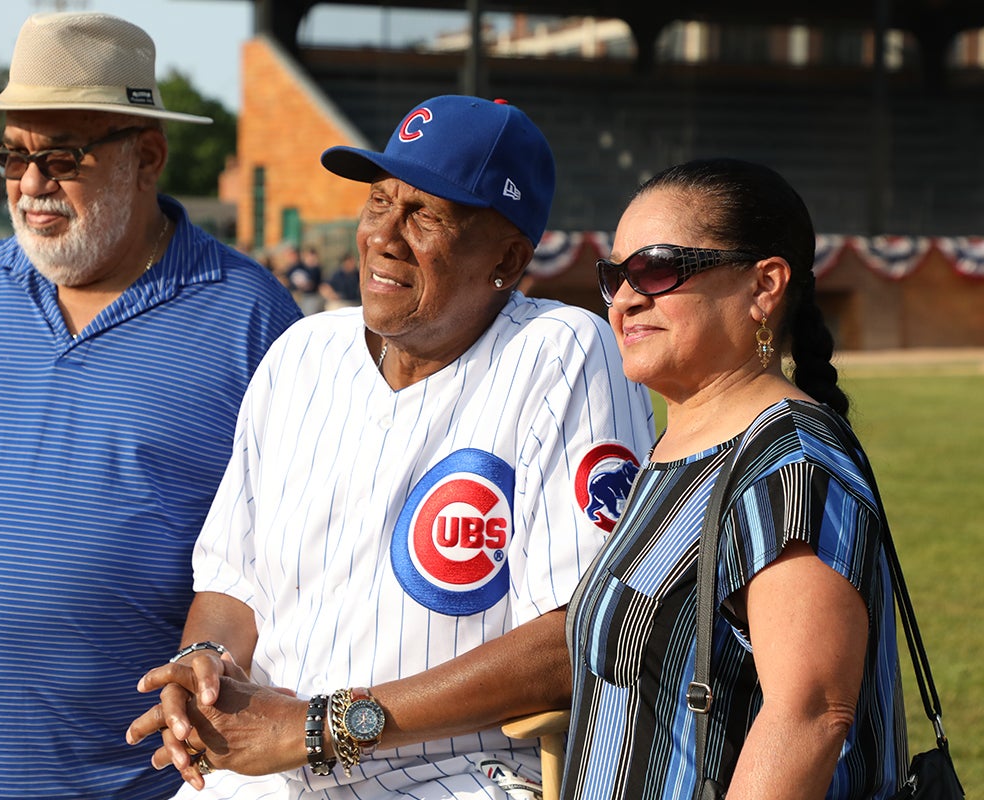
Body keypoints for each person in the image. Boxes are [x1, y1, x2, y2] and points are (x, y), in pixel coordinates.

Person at [125, 95, 656, 799]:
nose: (385, 236)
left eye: (426, 215)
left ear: (508, 257)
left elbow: (579, 636)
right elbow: (233, 582)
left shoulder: (559, 352)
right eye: (380, 201)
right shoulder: (303, 353)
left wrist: (323, 727)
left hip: (453, 776)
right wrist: (206, 661)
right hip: (270, 773)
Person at [0, 11, 301, 800]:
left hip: (157, 782)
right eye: (12, 156)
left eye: (61, 156)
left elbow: (289, 555)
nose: (31, 182)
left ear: (147, 156)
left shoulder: (250, 317)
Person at [560, 158, 906, 800]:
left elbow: (810, 717)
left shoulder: (789, 460)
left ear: (763, 285)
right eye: (615, 276)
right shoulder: (675, 452)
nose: (627, 297)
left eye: (656, 269)